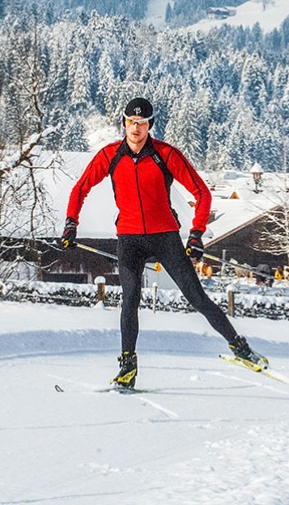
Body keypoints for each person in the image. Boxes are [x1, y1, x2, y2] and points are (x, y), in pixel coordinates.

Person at [62, 97, 267, 388]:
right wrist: (72, 222)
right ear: (124, 123)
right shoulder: (110, 156)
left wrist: (196, 233)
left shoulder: (166, 155)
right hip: (129, 239)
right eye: (131, 122)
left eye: (142, 123)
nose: (136, 128)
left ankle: (239, 346)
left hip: (165, 237)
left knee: (197, 297)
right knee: (129, 300)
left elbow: (202, 193)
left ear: (150, 125)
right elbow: (80, 188)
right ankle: (127, 365)